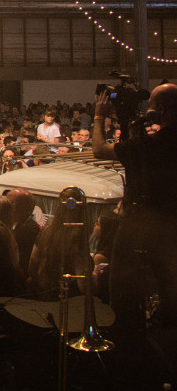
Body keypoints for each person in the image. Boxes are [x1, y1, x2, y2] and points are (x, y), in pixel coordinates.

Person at [93, 83, 177, 334]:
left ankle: (130, 350)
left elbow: (99, 150)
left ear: (159, 110)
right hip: (171, 223)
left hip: (143, 224)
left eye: (150, 106)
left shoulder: (152, 144)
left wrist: (100, 116)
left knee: (123, 293)